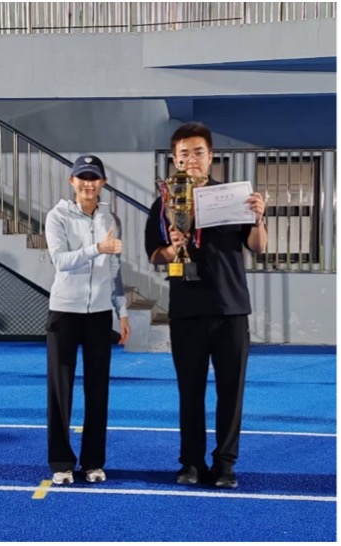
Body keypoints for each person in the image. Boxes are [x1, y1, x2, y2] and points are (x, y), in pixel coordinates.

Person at [145, 122, 267, 489]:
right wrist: (173, 248)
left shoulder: (234, 197)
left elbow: (258, 246)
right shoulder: (164, 201)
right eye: (184, 154)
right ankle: (192, 462)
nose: (192, 159)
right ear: (175, 159)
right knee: (190, 391)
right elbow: (155, 255)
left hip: (231, 308)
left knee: (231, 391)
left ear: (211, 156)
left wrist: (258, 217)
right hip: (187, 309)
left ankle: (225, 464)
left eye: (198, 152)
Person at [45, 154, 131, 485]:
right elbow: (61, 261)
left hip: (99, 314)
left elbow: (115, 269)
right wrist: (98, 247)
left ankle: (93, 462)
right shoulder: (57, 216)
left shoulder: (111, 217)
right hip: (64, 312)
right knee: (60, 390)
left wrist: (122, 311)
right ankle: (61, 462)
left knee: (98, 390)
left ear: (103, 183)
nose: (88, 183)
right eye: (82, 177)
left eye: (94, 178)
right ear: (72, 181)